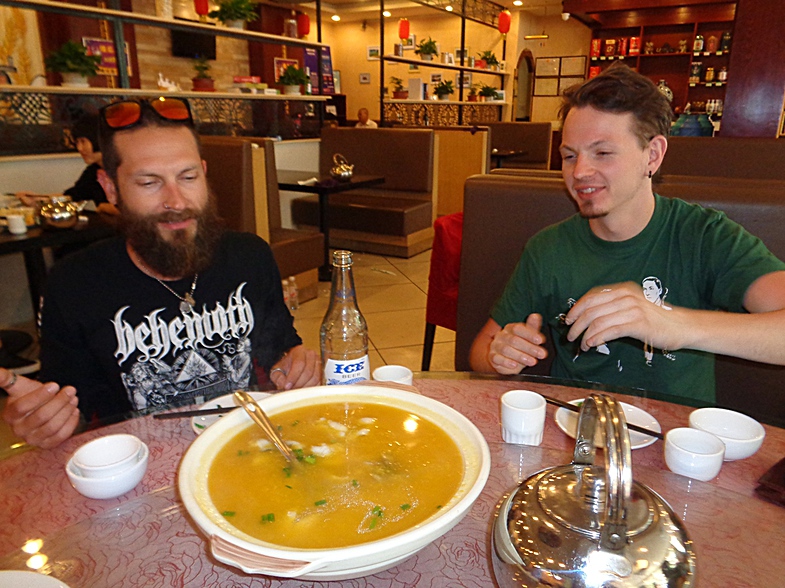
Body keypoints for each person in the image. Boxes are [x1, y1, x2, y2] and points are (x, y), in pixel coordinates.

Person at [1, 97, 320, 448]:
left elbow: (281, 347)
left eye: (188, 177)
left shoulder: (250, 256)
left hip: (244, 445)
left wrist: (296, 363)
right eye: (149, 183)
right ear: (110, 188)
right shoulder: (73, 284)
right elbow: (74, 408)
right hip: (142, 457)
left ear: (204, 173)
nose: (177, 201)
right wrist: (48, 419)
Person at [469, 64, 785, 404]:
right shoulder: (547, 248)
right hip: (574, 423)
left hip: (674, 432)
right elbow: (481, 353)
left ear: (653, 155)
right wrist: (499, 354)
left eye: (603, 153)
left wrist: (673, 324)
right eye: (570, 156)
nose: (580, 172)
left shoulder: (705, 236)